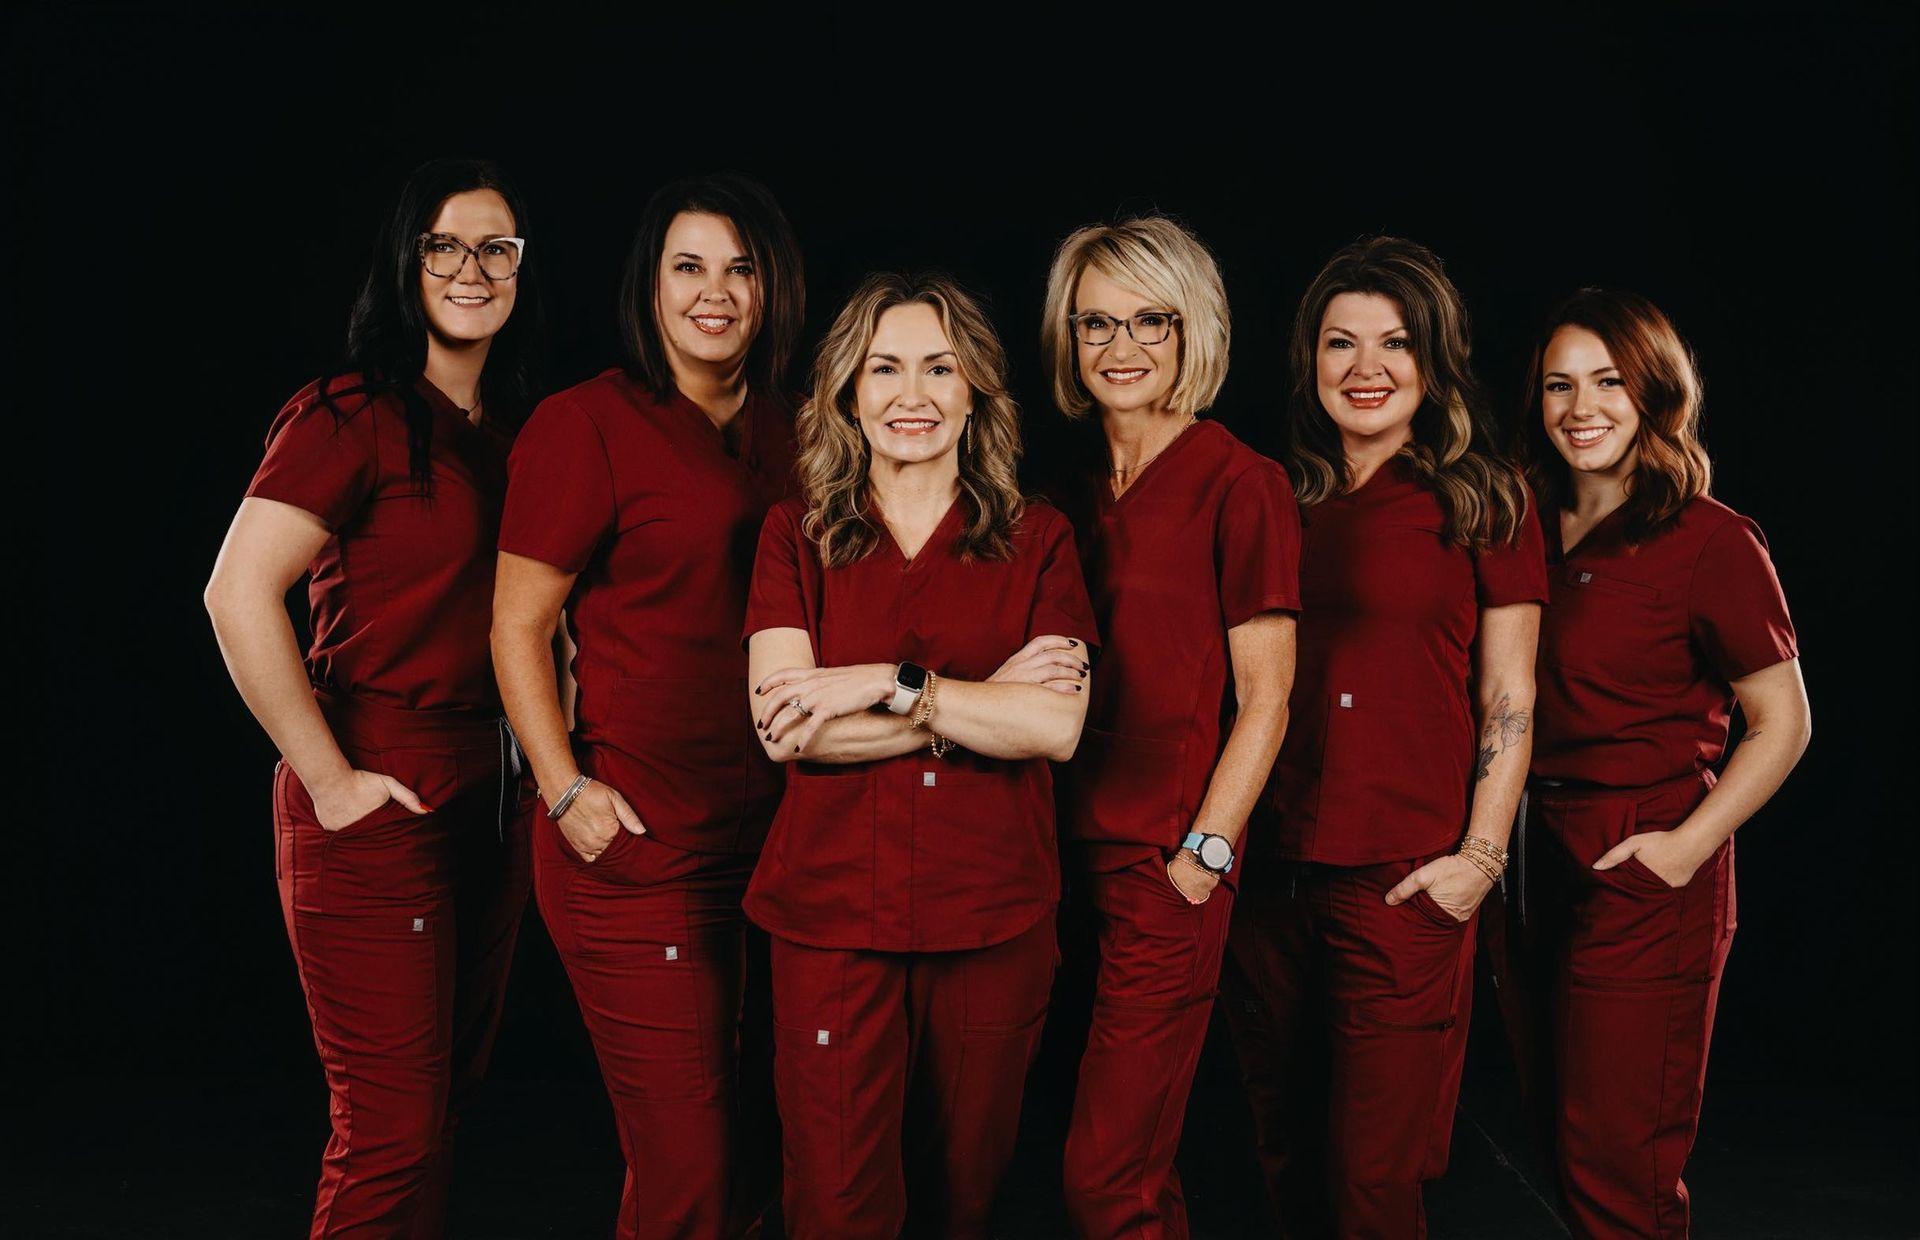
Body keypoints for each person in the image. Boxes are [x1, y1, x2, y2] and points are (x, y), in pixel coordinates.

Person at [204, 156, 544, 1237]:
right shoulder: (348, 413)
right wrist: (331, 778)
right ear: (408, 261)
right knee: (391, 1125)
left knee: (442, 1109)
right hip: (378, 782)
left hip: (491, 791)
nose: (472, 268)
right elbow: (236, 591)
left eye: (497, 247)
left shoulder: (518, 432)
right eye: (445, 244)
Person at [744, 272, 1095, 1239]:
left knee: (961, 1200)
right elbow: (785, 728)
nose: (913, 395)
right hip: (830, 922)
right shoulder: (795, 535)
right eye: (885, 368)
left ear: (976, 389)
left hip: (991, 918)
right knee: (836, 1203)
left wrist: (883, 684)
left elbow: (1056, 729)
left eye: (940, 368)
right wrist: (975, 702)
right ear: (848, 394)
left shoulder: (1040, 538)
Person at [491, 173, 803, 1239]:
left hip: (776, 843)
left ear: (771, 288)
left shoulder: (800, 433)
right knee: (691, 1165)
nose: (714, 292)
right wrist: (564, 785)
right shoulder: (586, 425)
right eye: (689, 266)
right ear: (651, 285)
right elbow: (516, 626)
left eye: (740, 267)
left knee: (769, 1146)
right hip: (636, 844)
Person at [1221, 235, 1546, 1237]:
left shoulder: (1485, 498)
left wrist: (1479, 858)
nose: (1365, 368)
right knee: (1275, 1140)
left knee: (1379, 1169)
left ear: (1434, 359)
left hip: (1407, 874)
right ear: (1307, 361)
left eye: (1393, 344)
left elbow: (1509, 697)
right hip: (1269, 867)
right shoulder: (1270, 495)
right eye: (1339, 344)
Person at [1490, 288, 1809, 1239]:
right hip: (1534, 857)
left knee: (1617, 1161)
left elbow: (1783, 721)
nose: (1581, 408)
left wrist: (1685, 847)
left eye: (1608, 382)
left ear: (1654, 394)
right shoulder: (1517, 523)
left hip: (1647, 860)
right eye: (1559, 385)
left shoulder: (1711, 539)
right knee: (1557, 1135)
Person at [1041, 216, 1301, 1239]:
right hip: (1050, 859)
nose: (1120, 346)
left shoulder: (1243, 484)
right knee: (1117, 1164)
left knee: (1106, 1176)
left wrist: (1204, 852)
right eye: (1095, 322)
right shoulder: (1062, 493)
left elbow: (1268, 696)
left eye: (1150, 319)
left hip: (1164, 863)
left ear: (1194, 329)